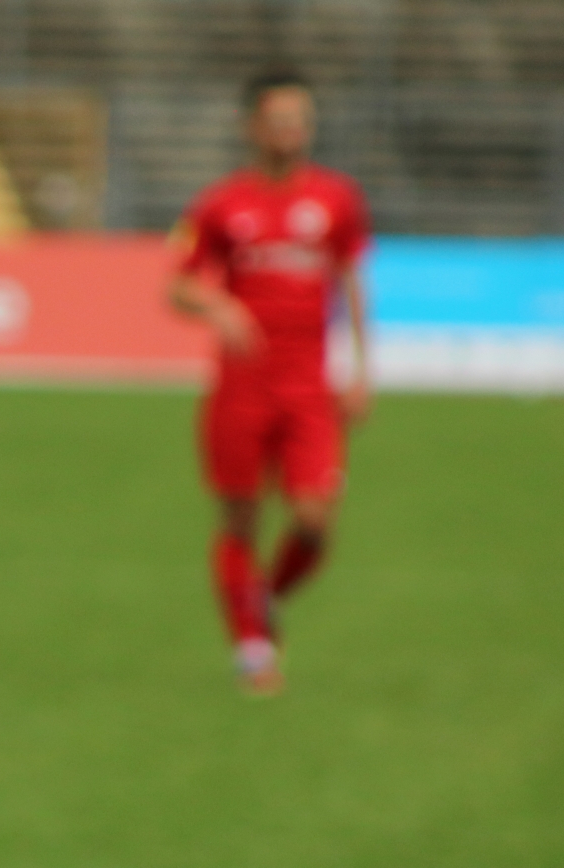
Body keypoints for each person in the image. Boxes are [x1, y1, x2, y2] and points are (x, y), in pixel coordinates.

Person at [168, 69, 371, 696]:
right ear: (252, 126)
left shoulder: (337, 200)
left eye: (300, 119)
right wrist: (220, 307)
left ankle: (260, 598)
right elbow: (177, 285)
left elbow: (351, 282)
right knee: (240, 519)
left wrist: (361, 365)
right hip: (242, 386)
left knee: (314, 520)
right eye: (278, 119)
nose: (290, 131)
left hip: (309, 386)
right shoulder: (221, 204)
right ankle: (254, 651)